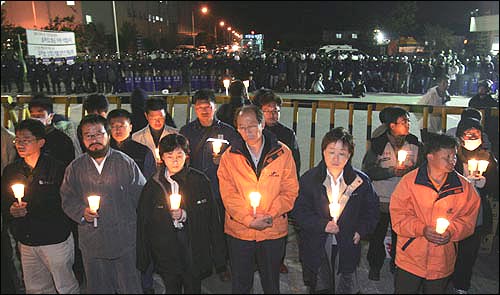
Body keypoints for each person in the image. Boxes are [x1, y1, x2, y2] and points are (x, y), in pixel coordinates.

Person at [60, 114, 146, 293]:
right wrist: (82, 212)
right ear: (82, 140)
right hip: (93, 239)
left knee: (129, 286)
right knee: (98, 287)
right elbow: (67, 198)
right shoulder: (75, 168)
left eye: (99, 134)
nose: (94, 140)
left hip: (124, 238)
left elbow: (142, 197)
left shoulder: (125, 162)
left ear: (108, 135)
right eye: (88, 136)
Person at [217, 105, 299, 293]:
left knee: (271, 282)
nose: (248, 132)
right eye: (242, 128)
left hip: (272, 228)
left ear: (262, 124)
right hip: (240, 231)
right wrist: (248, 219)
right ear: (237, 129)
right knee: (241, 283)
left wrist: (268, 215)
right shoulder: (229, 157)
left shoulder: (282, 153)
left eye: (252, 126)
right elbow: (228, 195)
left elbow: (290, 190)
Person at [390, 132, 480, 294]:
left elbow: (469, 221)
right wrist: (422, 229)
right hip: (411, 257)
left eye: (454, 156)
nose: (452, 161)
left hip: (442, 260)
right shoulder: (410, 182)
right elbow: (398, 216)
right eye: (447, 157)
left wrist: (451, 232)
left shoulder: (464, 188)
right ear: (430, 157)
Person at [292, 127, 379, 294]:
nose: (336, 158)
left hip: (347, 242)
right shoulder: (310, 179)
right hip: (317, 243)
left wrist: (361, 230)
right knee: (320, 285)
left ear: (349, 155)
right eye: (331, 152)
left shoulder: (360, 182)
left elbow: (372, 211)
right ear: (323, 151)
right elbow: (299, 211)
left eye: (342, 153)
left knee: (345, 285)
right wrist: (322, 224)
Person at [137, 133, 227, 294]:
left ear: (187, 156)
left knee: (193, 286)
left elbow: (212, 218)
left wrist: (185, 215)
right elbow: (144, 221)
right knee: (172, 287)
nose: (175, 160)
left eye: (180, 155)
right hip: (166, 249)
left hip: (193, 247)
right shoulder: (153, 185)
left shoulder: (199, 180)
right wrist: (144, 257)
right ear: (162, 157)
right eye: (170, 156)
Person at [1, 119, 79, 294]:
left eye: (26, 140)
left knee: (65, 285)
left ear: (40, 142)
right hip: (27, 240)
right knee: (36, 288)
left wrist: (33, 207)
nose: (20, 144)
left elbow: (65, 202)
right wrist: (12, 210)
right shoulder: (11, 171)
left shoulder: (57, 169)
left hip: (54, 239)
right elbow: (5, 202)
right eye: (17, 140)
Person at [179, 89, 239, 281]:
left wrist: (224, 160)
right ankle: (200, 265)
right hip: (195, 189)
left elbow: (239, 158)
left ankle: (222, 265)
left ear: (215, 107)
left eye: (208, 107)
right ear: (195, 109)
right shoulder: (187, 132)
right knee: (197, 228)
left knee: (220, 227)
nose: (204, 111)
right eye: (200, 107)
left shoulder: (228, 131)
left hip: (221, 189)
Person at [362, 107, 423, 281]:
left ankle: (397, 265)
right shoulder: (379, 145)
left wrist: (411, 171)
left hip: (405, 202)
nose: (408, 124)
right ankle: (375, 266)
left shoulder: (414, 143)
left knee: (401, 237)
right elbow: (368, 171)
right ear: (392, 125)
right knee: (377, 235)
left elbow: (422, 167)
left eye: (408, 121)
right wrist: (390, 172)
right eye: (403, 122)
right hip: (382, 200)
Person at [253, 88, 301, 274]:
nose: (273, 114)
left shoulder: (287, 134)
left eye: (276, 111)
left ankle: (278, 260)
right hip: (257, 186)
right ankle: (257, 259)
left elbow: (295, 161)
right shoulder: (255, 132)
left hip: (279, 187)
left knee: (279, 224)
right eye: (268, 110)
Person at [451, 117, 498, 294]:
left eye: (476, 133)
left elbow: (496, 186)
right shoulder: (452, 156)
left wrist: (485, 183)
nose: (472, 137)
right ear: (460, 136)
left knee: (469, 253)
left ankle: (462, 285)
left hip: (475, 215)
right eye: (468, 133)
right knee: (449, 252)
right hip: (453, 212)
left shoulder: (487, 158)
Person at [108, 109, 156, 179]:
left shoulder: (143, 152)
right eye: (113, 126)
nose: (117, 130)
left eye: (121, 126)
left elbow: (149, 178)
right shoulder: (105, 150)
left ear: (130, 127)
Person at [28, 96, 76, 167]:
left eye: (40, 115)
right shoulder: (28, 138)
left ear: (51, 117)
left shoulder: (62, 140)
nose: (36, 119)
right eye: (33, 116)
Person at [132, 97, 178, 165]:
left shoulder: (176, 135)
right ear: (146, 116)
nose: (157, 122)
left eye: (160, 117)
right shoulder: (137, 138)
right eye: (153, 118)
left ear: (165, 115)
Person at [468, 79, 499, 159]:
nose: (481, 90)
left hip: (489, 129)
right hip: (475, 127)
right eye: (480, 88)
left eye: (484, 88)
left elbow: (495, 119)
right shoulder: (473, 100)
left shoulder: (492, 102)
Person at [417, 75, 451, 143]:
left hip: (437, 128)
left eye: (448, 83)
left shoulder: (447, 96)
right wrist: (423, 119)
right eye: (444, 83)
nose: (446, 85)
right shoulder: (431, 94)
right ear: (438, 83)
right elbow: (419, 106)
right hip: (427, 126)